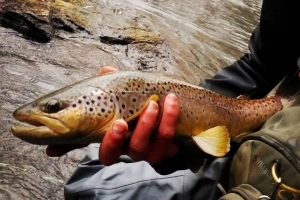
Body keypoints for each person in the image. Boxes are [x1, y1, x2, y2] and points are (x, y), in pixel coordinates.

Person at [46, 0, 300, 199]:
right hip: (260, 149)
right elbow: (261, 65)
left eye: (54, 108)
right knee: (90, 181)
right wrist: (182, 135)